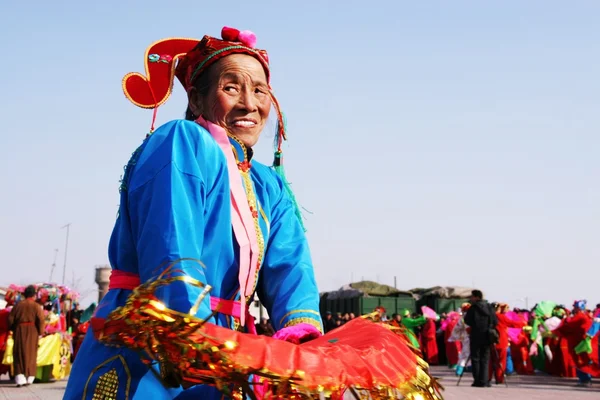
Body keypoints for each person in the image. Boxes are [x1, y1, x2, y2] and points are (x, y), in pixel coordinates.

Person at [64, 27, 323, 400]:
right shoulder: (182, 142)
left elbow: (291, 267)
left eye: (260, 90)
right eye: (231, 87)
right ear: (197, 100)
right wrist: (194, 336)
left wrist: (301, 337)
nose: (249, 103)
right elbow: (172, 251)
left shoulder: (270, 185)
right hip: (155, 333)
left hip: (230, 344)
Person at [8, 285, 45, 387]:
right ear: (34, 295)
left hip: (19, 330)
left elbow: (10, 319)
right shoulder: (36, 306)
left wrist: (13, 329)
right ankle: (29, 377)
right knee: (31, 353)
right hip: (33, 331)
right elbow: (41, 320)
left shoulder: (18, 305)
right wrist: (41, 332)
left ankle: (20, 377)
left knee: (19, 352)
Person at [464, 290, 497, 388]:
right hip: (487, 336)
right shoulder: (489, 307)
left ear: (477, 297)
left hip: (475, 335)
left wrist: (476, 326)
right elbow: (495, 321)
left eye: (472, 297)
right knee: (485, 359)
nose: (471, 298)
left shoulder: (473, 308)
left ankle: (477, 381)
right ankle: (485, 381)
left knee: (475, 358)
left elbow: (467, 320)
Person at [490, 303, 526, 384]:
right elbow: (512, 323)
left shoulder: (488, 316)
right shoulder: (500, 317)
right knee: (501, 360)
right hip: (501, 341)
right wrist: (523, 323)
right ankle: (499, 379)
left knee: (491, 361)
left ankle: (488, 378)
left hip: (490, 342)